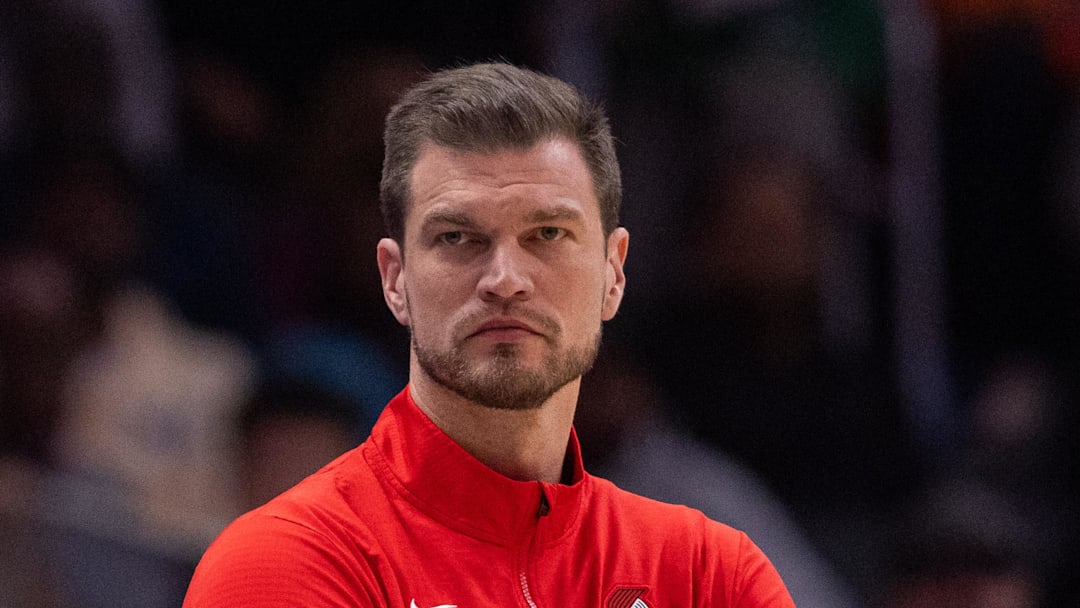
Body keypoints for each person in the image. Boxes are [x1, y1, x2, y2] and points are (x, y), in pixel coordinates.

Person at [183, 62, 794, 608]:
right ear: (395, 281)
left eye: (548, 234)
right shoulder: (284, 563)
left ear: (613, 274)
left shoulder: (710, 576)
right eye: (457, 238)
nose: (505, 279)